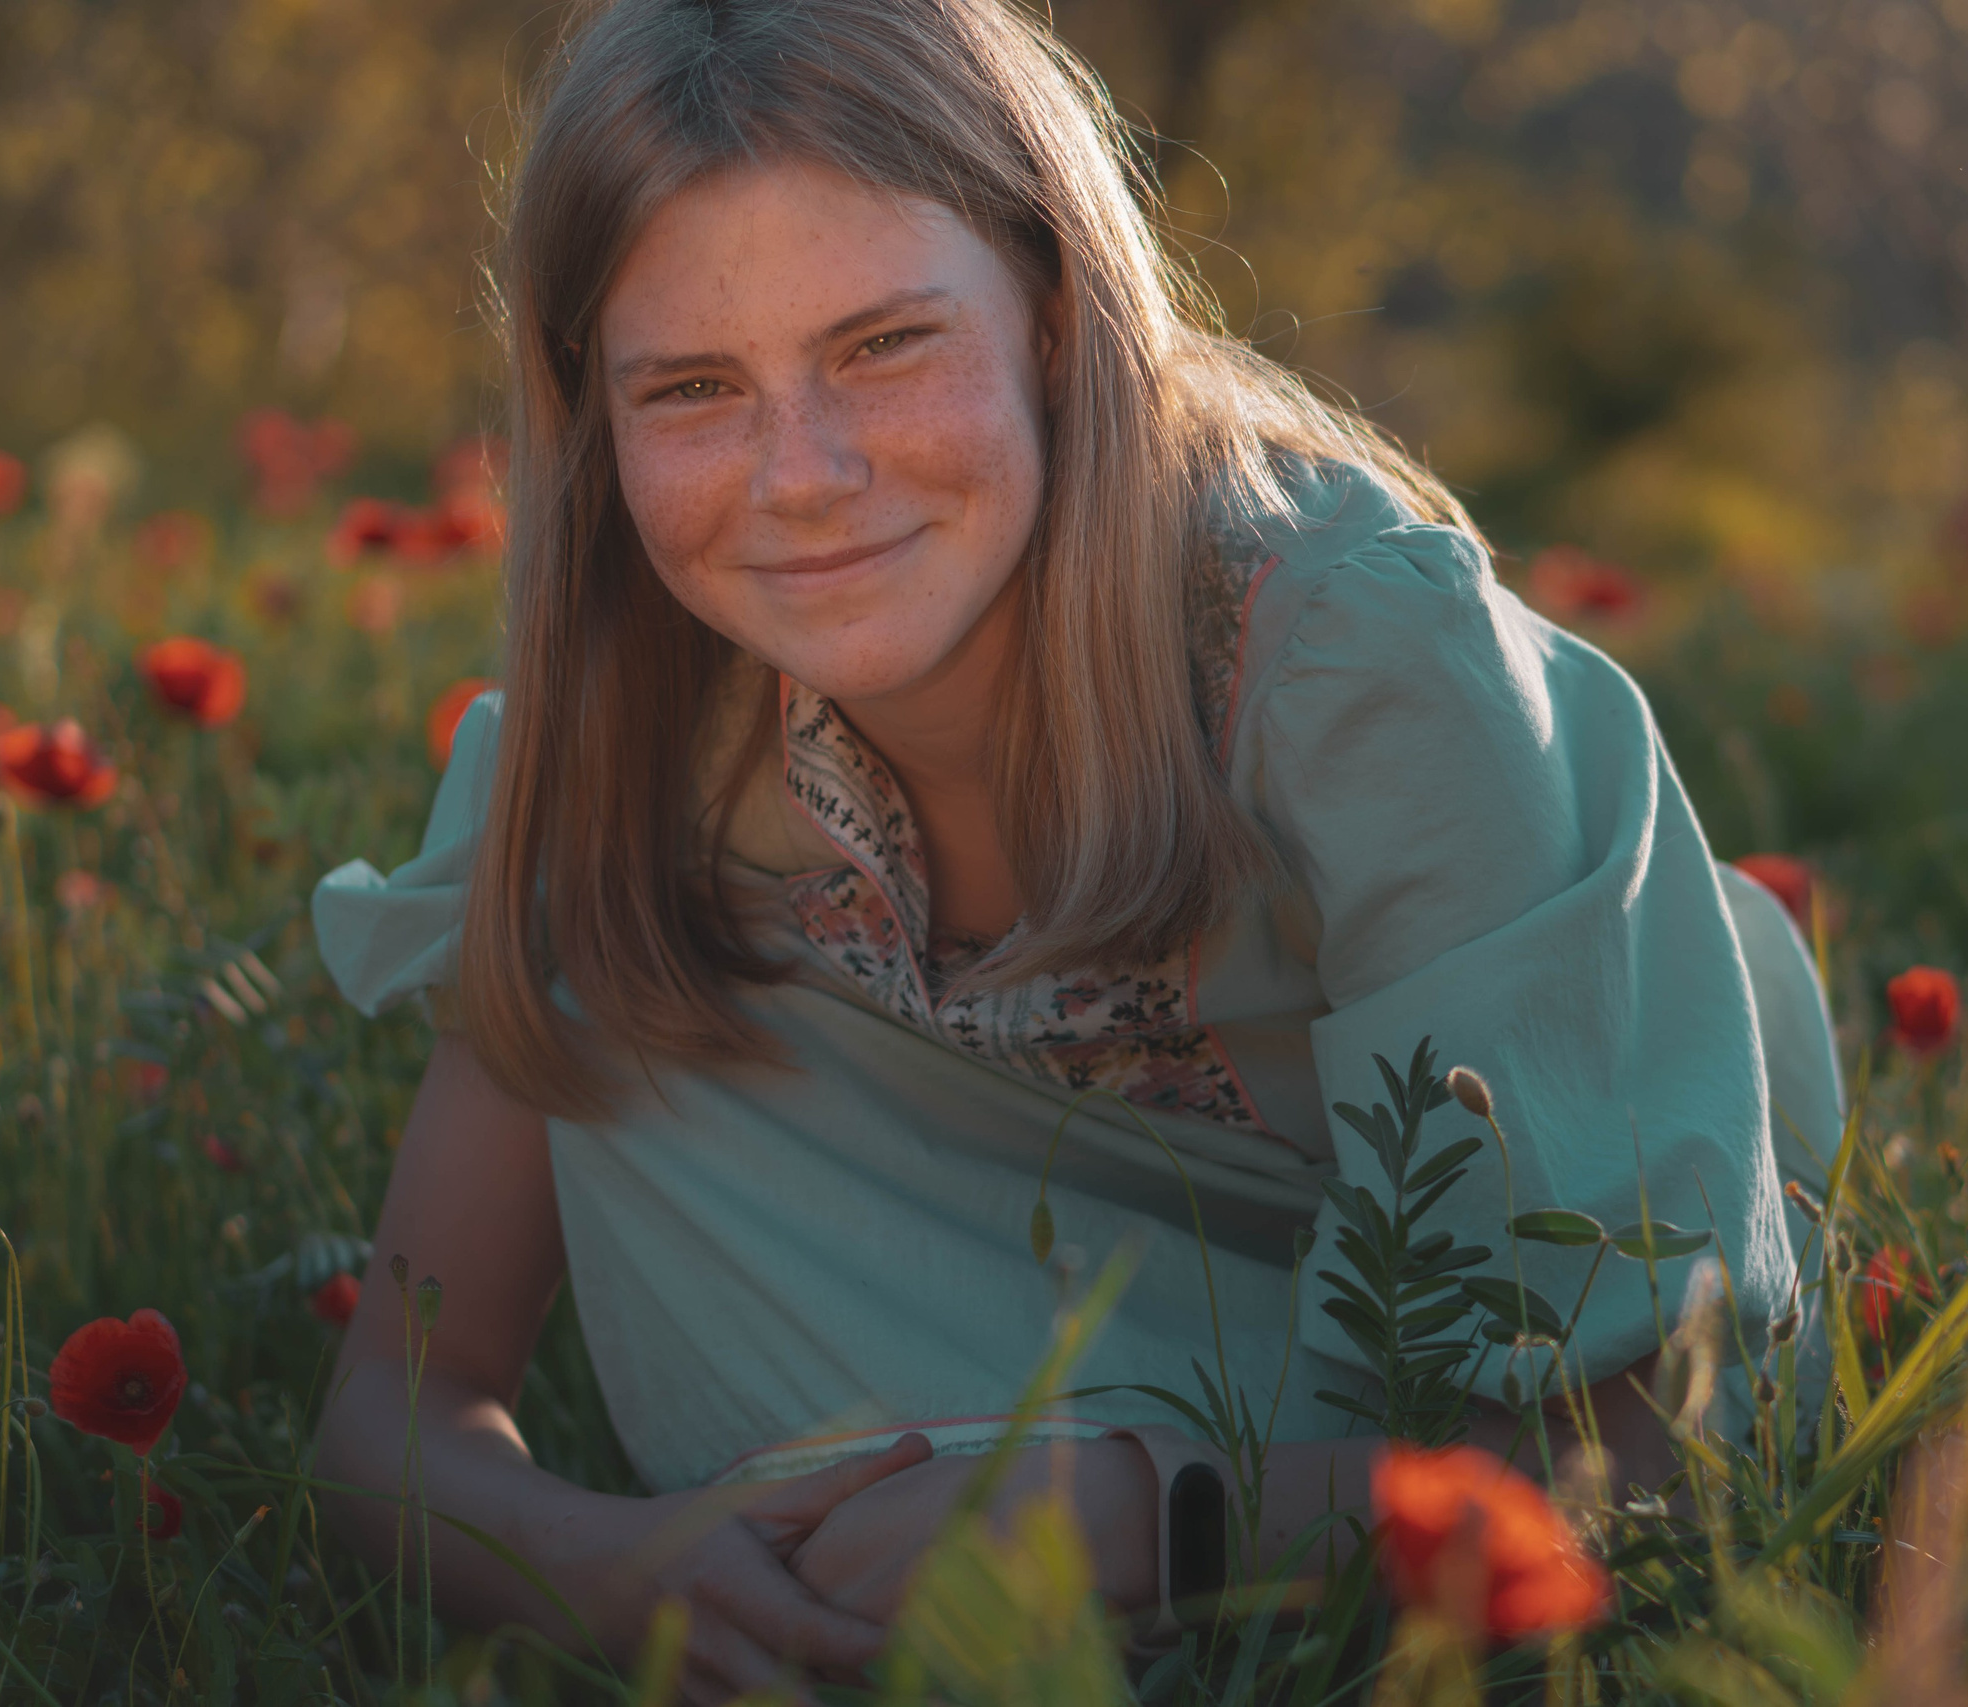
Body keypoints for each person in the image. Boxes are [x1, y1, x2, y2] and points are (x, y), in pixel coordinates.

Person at [308, 0, 1836, 1698]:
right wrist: (601, 1568)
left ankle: (1091, 1584)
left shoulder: (1354, 671)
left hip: (1420, 1389)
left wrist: (1148, 1517)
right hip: (969, 1397)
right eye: (692, 388)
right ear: (590, 411)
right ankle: (916, 1581)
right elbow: (396, 1417)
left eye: (885, 345)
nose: (801, 475)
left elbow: (1669, 1455)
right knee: (624, 959)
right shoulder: (623, 736)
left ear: (1054, 320)